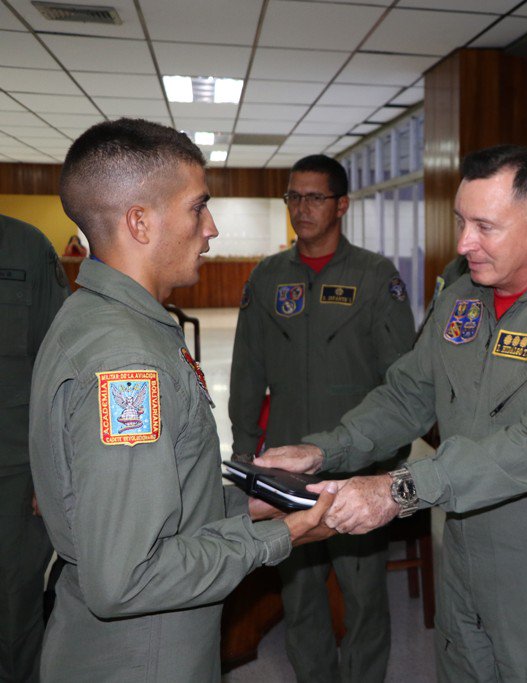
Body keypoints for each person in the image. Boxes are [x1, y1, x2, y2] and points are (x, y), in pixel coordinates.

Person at [258, 144, 527, 681]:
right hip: (460, 542)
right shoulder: (462, 298)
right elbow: (407, 395)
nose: (464, 243)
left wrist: (399, 489)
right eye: (462, 221)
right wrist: (325, 449)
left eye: (485, 227)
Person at [28, 118, 336, 682]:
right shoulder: (126, 363)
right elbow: (129, 577)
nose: (211, 228)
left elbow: (159, 506)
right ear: (139, 222)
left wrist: (249, 506)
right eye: (198, 208)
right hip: (144, 656)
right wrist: (278, 537)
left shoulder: (94, 316)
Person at [229, 153, 416, 682]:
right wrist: (245, 449)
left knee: (363, 594)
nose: (301, 208)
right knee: (299, 592)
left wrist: (391, 459)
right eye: (294, 196)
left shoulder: (375, 276)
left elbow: (402, 377)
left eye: (315, 197)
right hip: (286, 463)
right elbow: (247, 370)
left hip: (357, 464)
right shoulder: (267, 277)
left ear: (341, 205)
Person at [0, 215, 69, 682]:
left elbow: (59, 366)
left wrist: (52, 472)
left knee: (14, 606)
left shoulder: (27, 250)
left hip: (14, 471)